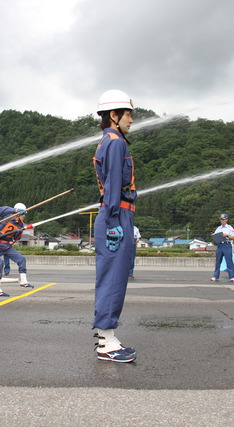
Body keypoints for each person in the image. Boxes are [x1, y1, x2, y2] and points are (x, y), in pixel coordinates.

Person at [92, 89, 137, 363]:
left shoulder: (108, 141)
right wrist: (112, 224)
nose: (131, 120)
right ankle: (107, 342)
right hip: (116, 215)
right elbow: (111, 188)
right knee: (113, 279)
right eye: (128, 114)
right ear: (114, 115)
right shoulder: (115, 142)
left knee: (112, 277)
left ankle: (104, 336)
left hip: (116, 214)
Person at [211, 213, 234, 282]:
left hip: (227, 244)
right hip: (220, 245)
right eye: (221, 219)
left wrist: (227, 235)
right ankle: (215, 276)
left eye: (223, 219)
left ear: (226, 220)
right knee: (218, 261)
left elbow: (233, 237)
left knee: (229, 261)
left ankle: (232, 276)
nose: (222, 221)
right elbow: (215, 235)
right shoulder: (218, 228)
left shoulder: (229, 228)